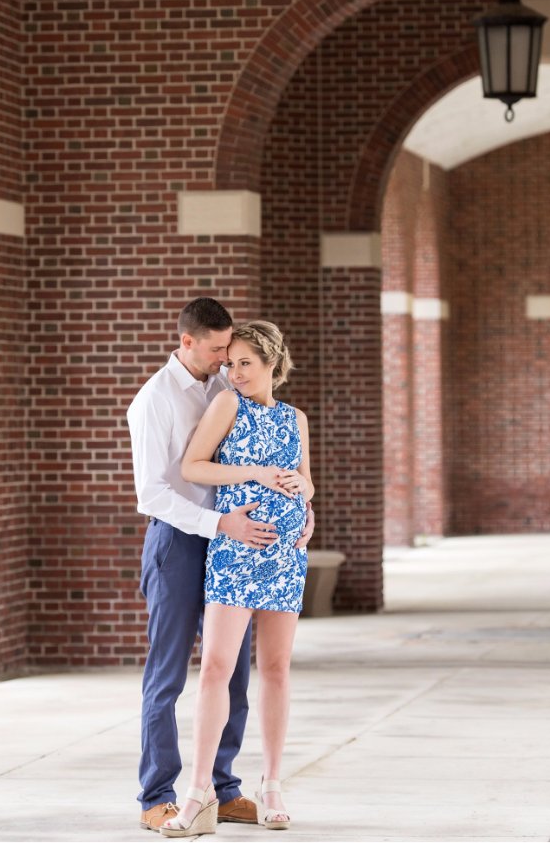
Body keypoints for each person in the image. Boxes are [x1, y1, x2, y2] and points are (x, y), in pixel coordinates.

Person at [126, 299, 313, 833]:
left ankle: (225, 790)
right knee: (169, 674)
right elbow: (152, 494)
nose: (225, 364)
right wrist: (220, 525)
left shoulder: (225, 389)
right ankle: (157, 795)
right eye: (218, 353)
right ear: (188, 342)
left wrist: (304, 506)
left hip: (241, 538)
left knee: (232, 675)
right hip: (181, 540)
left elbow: (290, 470)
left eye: (233, 357)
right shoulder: (154, 401)